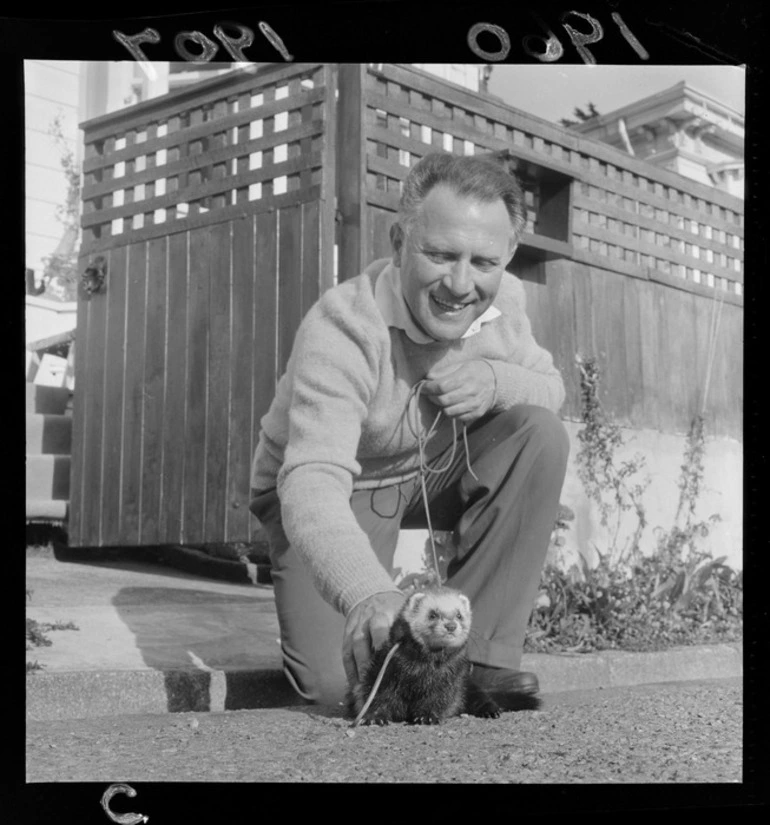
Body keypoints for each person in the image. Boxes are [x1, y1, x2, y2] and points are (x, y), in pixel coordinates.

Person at [249, 151, 569, 710]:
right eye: (440, 254)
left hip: (428, 470)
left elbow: (551, 389)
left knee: (537, 433)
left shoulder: (506, 302)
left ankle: (481, 660)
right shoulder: (342, 327)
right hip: (334, 494)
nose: (461, 284)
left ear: (508, 256)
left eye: (484, 261)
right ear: (399, 241)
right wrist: (368, 592)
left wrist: (497, 381)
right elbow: (311, 479)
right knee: (347, 684)